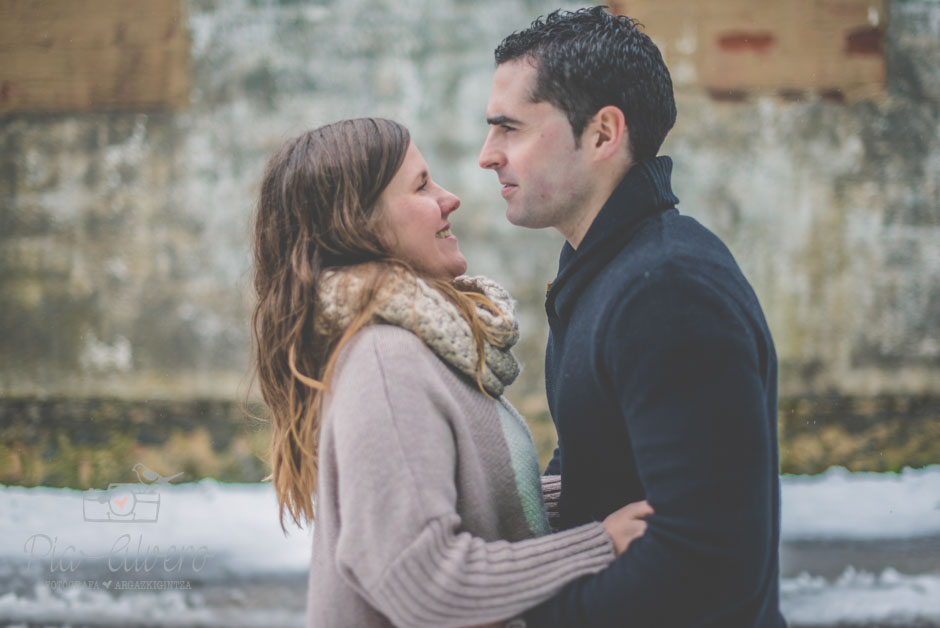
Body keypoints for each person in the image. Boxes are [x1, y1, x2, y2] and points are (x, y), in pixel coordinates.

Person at [250, 117, 654, 628]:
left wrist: (600, 491)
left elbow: (477, 496)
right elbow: (422, 581)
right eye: (421, 186)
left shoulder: (418, 345)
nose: (450, 198)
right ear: (361, 223)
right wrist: (599, 544)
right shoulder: (384, 361)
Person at [478, 7, 786, 627]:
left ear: (602, 134)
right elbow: (598, 469)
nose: (488, 155)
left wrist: (536, 619)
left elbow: (710, 564)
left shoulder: (667, 291)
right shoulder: (602, 268)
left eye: (509, 128)